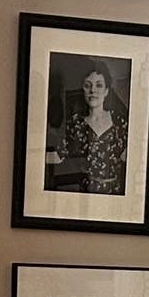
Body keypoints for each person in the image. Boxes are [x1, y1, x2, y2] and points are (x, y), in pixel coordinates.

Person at [49, 64, 127, 198]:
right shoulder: (76, 123)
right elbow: (58, 157)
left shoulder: (119, 122)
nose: (93, 90)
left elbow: (130, 159)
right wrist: (29, 156)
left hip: (115, 193)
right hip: (87, 193)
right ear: (83, 89)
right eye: (87, 85)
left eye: (99, 85)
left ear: (107, 90)